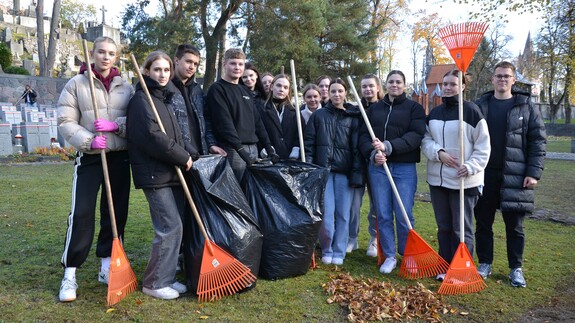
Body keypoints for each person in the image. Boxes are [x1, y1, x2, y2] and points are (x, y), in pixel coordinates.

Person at [57, 36, 133, 302]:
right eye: (101, 51)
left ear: (116, 57)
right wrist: (89, 140)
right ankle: (70, 273)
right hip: (91, 158)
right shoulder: (76, 84)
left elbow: (136, 119)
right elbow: (65, 121)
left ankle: (106, 264)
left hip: (119, 158)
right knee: (82, 213)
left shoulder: (125, 86)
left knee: (115, 213)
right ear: (92, 53)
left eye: (111, 53)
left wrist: (117, 127)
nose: (105, 56)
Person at [474, 61, 546, 288]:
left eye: (506, 76)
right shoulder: (480, 106)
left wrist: (533, 173)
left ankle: (516, 268)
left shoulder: (526, 106)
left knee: (514, 226)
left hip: (515, 176)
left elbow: (538, 141)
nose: (502, 79)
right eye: (498, 76)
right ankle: (485, 263)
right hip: (484, 175)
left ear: (514, 80)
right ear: (492, 79)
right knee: (483, 223)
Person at [127, 51, 192, 300]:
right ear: (146, 71)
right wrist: (181, 156)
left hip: (170, 172)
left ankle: (167, 277)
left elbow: (175, 135)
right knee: (169, 227)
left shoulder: (164, 98)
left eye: (166, 70)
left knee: (177, 226)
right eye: (157, 70)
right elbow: (152, 137)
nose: (163, 74)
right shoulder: (141, 100)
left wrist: (188, 153)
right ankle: (154, 282)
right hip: (154, 174)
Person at [421, 70, 490, 280]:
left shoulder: (471, 112)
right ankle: (444, 266)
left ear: (462, 87)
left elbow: (483, 147)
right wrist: (438, 153)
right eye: (445, 84)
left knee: (462, 228)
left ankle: (462, 268)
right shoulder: (435, 113)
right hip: (439, 180)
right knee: (443, 227)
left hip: (463, 181)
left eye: (452, 84)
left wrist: (470, 167)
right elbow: (426, 139)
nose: (448, 88)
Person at [358, 70, 426, 274]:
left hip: (404, 168)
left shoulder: (414, 108)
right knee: (384, 214)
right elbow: (362, 136)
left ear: (404, 84)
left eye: (398, 82)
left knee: (404, 212)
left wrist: (388, 147)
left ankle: (407, 255)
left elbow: (416, 136)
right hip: (378, 168)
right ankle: (389, 255)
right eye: (391, 81)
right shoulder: (374, 109)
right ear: (385, 85)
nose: (394, 85)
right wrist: (373, 154)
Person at [304, 78, 363, 266]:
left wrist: (356, 173)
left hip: (344, 173)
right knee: (327, 214)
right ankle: (327, 248)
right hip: (324, 173)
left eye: (340, 91)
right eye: (333, 91)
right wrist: (311, 170)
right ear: (327, 93)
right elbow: (310, 145)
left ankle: (339, 250)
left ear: (345, 93)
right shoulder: (319, 116)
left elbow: (356, 149)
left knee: (344, 214)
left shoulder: (353, 117)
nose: (337, 94)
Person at [206, 48, 277, 182]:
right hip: (233, 150)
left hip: (253, 149)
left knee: (251, 191)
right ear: (224, 64)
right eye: (233, 63)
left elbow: (257, 121)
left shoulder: (245, 90)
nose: (237, 67)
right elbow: (223, 122)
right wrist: (239, 149)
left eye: (240, 64)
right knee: (235, 192)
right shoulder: (217, 89)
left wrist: (269, 147)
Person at [170, 44, 226, 158]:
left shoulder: (197, 90)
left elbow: (206, 119)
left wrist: (210, 144)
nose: (192, 67)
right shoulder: (166, 88)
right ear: (176, 60)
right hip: (177, 153)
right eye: (188, 61)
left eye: (195, 64)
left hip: (199, 152)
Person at [349, 74, 383, 256]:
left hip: (376, 161)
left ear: (378, 87)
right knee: (354, 203)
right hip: (357, 162)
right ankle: (351, 238)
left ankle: (374, 239)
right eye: (364, 87)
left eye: (371, 86)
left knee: (376, 204)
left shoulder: (384, 109)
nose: (367, 89)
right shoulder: (356, 110)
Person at [259, 74, 301, 160]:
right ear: (271, 87)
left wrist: (296, 149)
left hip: (290, 159)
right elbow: (257, 131)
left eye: (285, 87)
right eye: (278, 85)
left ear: (288, 91)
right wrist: (262, 148)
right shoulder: (261, 109)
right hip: (268, 159)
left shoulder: (294, 112)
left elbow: (300, 134)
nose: (281, 89)